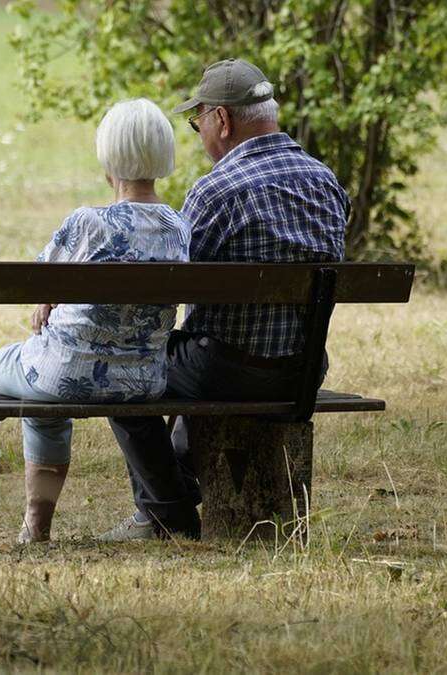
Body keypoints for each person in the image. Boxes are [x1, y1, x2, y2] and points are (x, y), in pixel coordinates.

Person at [98, 59, 349, 542]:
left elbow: (171, 286)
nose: (199, 135)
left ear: (222, 120)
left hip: (226, 370)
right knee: (198, 351)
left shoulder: (216, 191)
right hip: (302, 371)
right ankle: (180, 489)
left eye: (197, 125)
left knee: (123, 368)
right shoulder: (327, 183)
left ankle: (167, 513)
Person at [0, 98, 192, 547]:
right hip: (142, 382)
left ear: (108, 155)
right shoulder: (179, 227)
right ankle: (35, 530)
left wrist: (48, 299)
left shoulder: (87, 223)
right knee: (42, 401)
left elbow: (36, 283)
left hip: (63, 374)